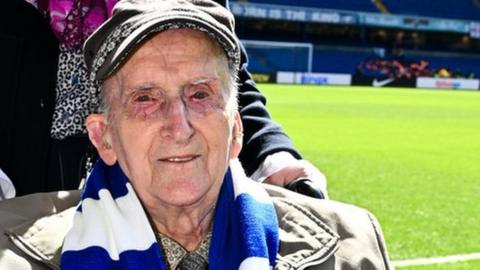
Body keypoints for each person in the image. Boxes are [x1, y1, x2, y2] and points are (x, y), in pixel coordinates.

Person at [0, 0, 391, 269]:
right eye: (147, 98)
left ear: (234, 127)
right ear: (101, 135)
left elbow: (228, 79)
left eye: (198, 96)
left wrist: (273, 155)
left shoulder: (354, 245)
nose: (179, 124)